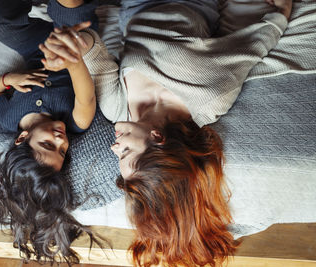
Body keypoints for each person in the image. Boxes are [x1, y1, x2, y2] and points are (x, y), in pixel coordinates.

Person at [42, 0, 293, 266]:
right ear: (158, 138)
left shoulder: (118, 110)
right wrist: (279, 16)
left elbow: (96, 55)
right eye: (125, 151)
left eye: (119, 156)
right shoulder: (208, 96)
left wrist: (75, 44)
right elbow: (249, 47)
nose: (114, 147)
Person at [0, 0, 114, 264]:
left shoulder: (9, 119)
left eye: (47, 145)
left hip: (35, 50)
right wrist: (70, 59)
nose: (60, 140)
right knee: (67, 9)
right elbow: (87, 96)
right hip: (69, 45)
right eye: (63, 150)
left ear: (22, 138)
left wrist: (9, 80)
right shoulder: (74, 121)